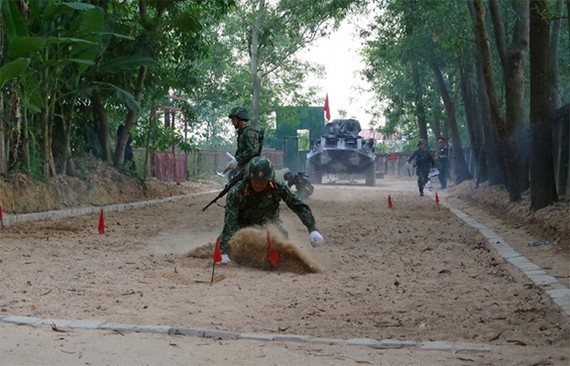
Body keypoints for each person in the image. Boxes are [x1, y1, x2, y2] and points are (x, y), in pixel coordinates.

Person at [218, 157, 324, 264]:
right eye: (255, 181)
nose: (258, 185)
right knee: (237, 247)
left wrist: (312, 229)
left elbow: (298, 206)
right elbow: (230, 222)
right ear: (249, 178)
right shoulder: (236, 192)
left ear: (269, 180)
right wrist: (224, 251)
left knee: (281, 247)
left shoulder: (278, 186)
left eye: (262, 182)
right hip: (242, 228)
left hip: (270, 226)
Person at [227, 107, 261, 173]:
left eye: (234, 119)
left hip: (250, 168)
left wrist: (237, 160)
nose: (232, 122)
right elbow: (241, 151)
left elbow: (252, 150)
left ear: (240, 119)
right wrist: (234, 160)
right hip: (244, 168)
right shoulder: (242, 133)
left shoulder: (249, 132)